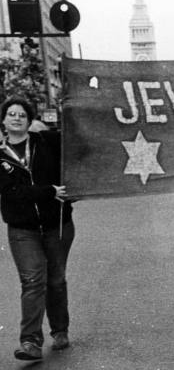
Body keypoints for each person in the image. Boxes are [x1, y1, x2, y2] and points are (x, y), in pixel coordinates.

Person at [0, 97, 74, 361]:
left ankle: (60, 330)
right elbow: (12, 193)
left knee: (55, 280)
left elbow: (77, 143)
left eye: (22, 114)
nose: (17, 118)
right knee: (33, 281)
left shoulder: (46, 143)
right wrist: (49, 192)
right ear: (4, 121)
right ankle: (30, 342)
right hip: (23, 230)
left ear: (30, 121)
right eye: (11, 114)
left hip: (57, 225)